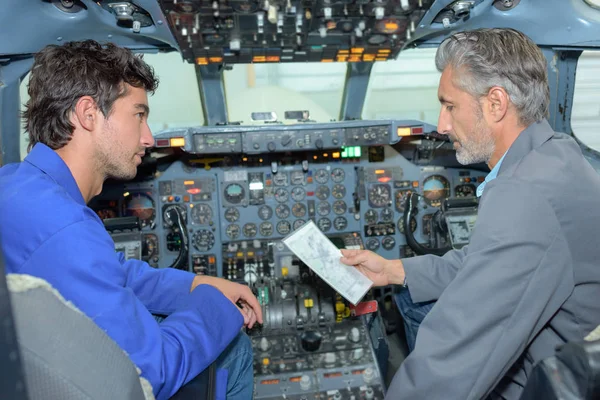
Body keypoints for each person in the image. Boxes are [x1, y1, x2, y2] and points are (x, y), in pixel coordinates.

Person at [341, 28, 600, 400]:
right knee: (406, 296)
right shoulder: (554, 153)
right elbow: (482, 261)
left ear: (496, 103)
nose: (442, 126)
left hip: (542, 383)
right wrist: (393, 270)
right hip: (558, 357)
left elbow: (456, 352)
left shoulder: (525, 194)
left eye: (449, 105)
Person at [0, 40, 263, 400]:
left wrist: (196, 284)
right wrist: (215, 306)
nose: (148, 137)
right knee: (235, 348)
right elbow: (151, 372)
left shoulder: (18, 185)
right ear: (88, 113)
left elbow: (110, 273)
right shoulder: (65, 229)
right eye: (139, 114)